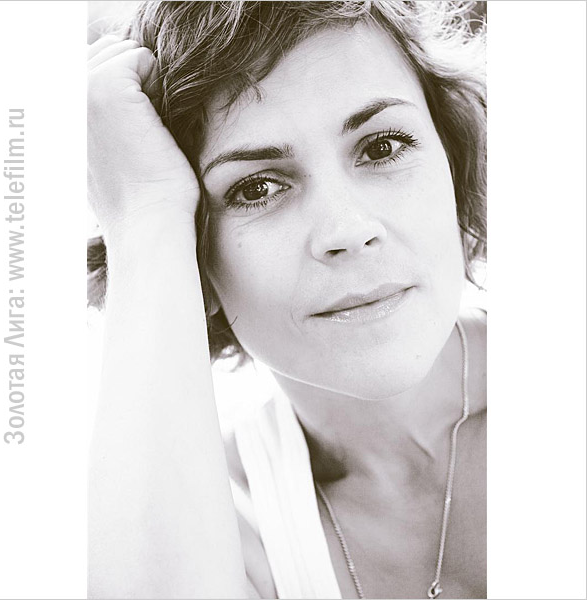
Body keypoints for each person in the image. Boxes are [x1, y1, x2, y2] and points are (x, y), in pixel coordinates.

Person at [87, 1, 487, 598]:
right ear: (192, 258)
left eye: (383, 147)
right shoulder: (214, 520)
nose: (347, 229)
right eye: (257, 188)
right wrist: (143, 216)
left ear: (453, 162)